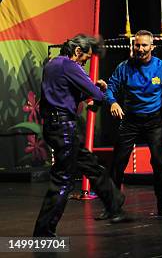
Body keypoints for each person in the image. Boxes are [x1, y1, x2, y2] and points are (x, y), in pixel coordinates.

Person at [33, 34, 126, 237]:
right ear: (77, 52)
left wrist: (90, 93)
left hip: (54, 126)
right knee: (63, 180)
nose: (85, 63)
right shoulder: (70, 66)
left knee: (90, 165)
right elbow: (96, 93)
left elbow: (65, 92)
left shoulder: (52, 64)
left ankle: (114, 203)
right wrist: (101, 89)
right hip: (64, 127)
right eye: (86, 59)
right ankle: (43, 232)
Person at [103, 30, 162, 217]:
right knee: (117, 162)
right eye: (137, 45)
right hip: (130, 120)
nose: (140, 48)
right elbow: (110, 89)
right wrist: (113, 102)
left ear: (152, 47)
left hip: (154, 121)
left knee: (159, 162)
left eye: (144, 45)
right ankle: (112, 206)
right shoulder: (124, 67)